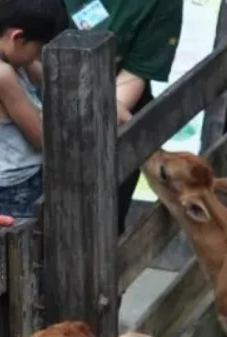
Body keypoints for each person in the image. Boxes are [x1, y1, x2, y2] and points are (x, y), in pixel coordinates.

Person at [59, 0, 183, 231]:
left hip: (110, 115)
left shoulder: (160, 5)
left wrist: (89, 117)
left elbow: (135, 74)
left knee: (101, 224)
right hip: (35, 107)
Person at [0, 0, 69, 219]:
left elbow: (54, 82)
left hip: (16, 184)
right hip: (15, 189)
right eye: (39, 49)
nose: (38, 58)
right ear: (17, 38)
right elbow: (42, 137)